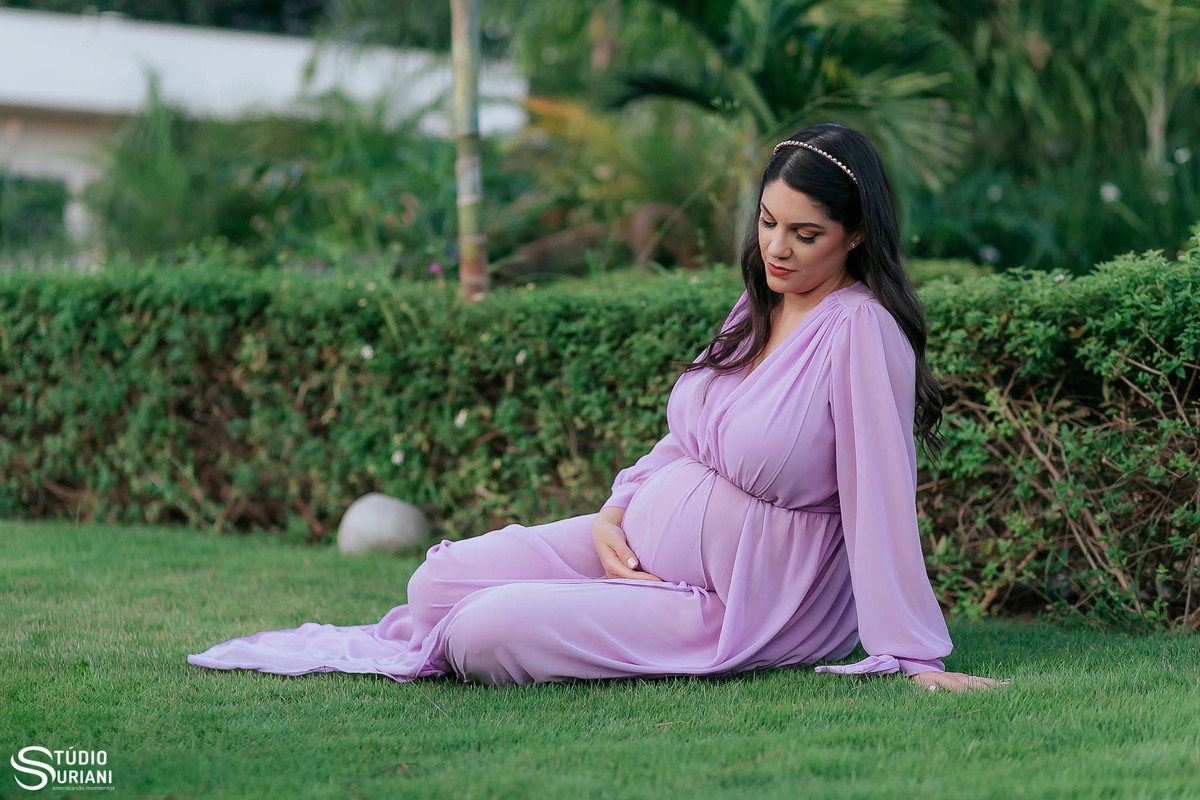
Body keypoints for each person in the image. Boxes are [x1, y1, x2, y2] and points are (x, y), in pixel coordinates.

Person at [188, 123, 1010, 694]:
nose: (776, 249)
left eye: (805, 234)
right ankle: (589, 579)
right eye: (767, 223)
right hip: (634, 542)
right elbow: (684, 438)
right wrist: (617, 511)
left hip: (744, 600)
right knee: (435, 582)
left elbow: (880, 495)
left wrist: (910, 654)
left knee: (482, 634)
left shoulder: (861, 332)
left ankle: (573, 616)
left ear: (856, 236)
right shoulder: (757, 303)